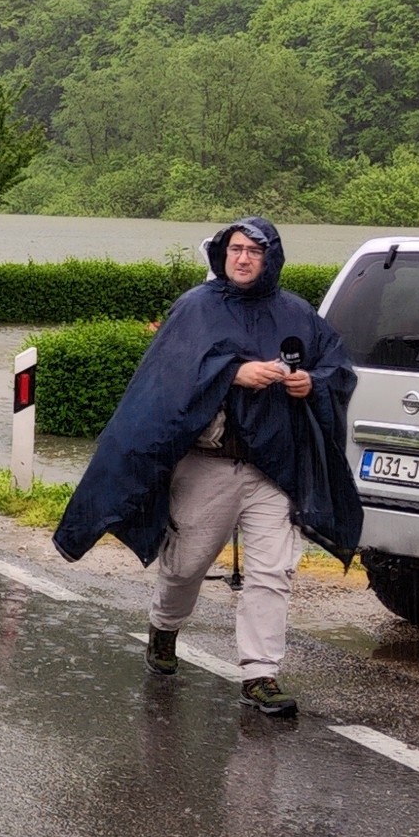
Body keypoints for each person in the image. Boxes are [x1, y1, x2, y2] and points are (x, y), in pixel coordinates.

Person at [52, 217, 360, 718]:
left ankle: (260, 674)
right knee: (186, 567)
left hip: (274, 471)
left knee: (273, 572)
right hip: (208, 463)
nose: (243, 258)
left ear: (271, 259)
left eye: (254, 251)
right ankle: (164, 626)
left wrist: (312, 383)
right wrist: (233, 372)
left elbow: (337, 368)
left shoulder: (298, 312)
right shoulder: (195, 307)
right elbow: (171, 373)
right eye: (236, 249)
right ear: (222, 254)